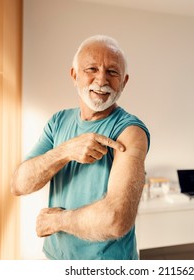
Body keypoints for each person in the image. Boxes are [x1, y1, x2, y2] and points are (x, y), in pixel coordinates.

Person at [10, 35, 150, 260]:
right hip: (56, 257)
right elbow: (19, 184)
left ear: (124, 82)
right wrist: (65, 151)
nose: (102, 80)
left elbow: (116, 220)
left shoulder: (130, 131)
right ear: (75, 75)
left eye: (112, 72)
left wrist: (57, 221)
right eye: (92, 68)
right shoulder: (58, 122)